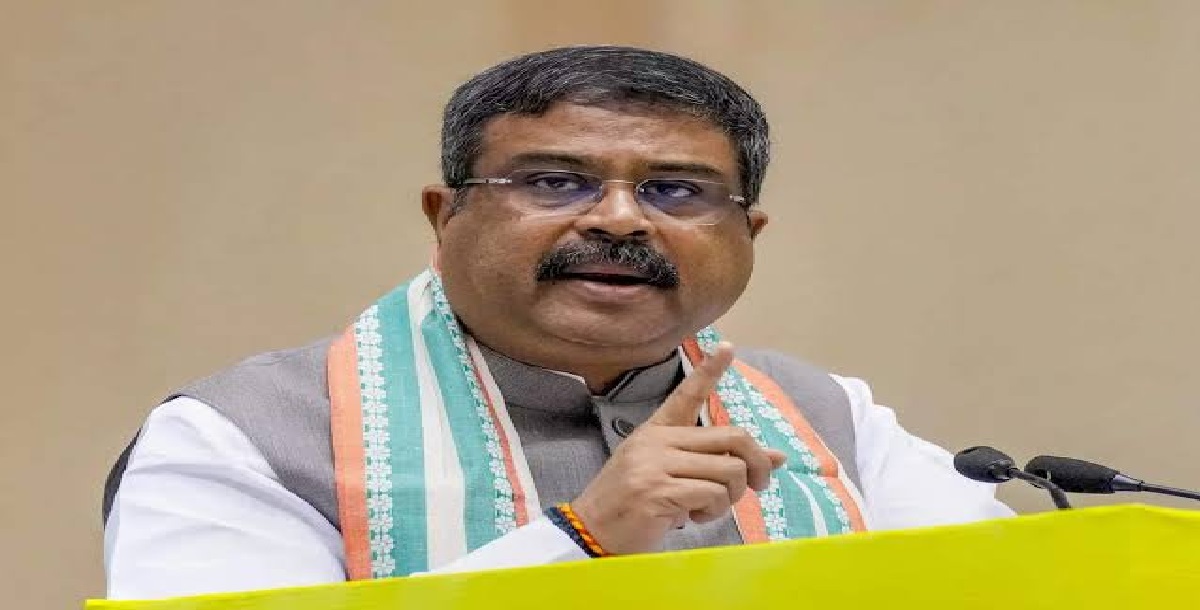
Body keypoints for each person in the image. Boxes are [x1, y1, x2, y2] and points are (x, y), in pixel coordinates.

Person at [102, 45, 1011, 600]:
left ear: (749, 235)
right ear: (445, 216)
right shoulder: (245, 435)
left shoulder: (828, 417)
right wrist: (581, 541)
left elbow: (1008, 587)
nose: (619, 220)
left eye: (676, 191)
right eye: (553, 181)